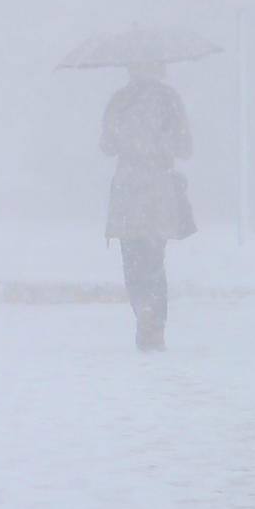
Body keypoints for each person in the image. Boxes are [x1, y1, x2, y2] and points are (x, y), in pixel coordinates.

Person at [100, 62, 195, 351]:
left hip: (127, 189)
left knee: (132, 259)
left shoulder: (119, 100)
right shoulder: (169, 99)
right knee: (154, 259)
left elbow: (106, 146)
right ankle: (155, 327)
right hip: (158, 189)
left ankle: (142, 313)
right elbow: (185, 148)